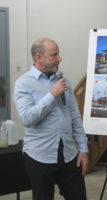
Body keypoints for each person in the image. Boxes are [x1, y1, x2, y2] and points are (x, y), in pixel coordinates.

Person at [14, 38, 88, 200]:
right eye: (54, 55)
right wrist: (51, 95)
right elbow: (27, 119)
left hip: (68, 154)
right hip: (39, 156)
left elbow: (74, 116)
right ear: (38, 57)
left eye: (58, 54)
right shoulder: (23, 84)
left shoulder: (63, 80)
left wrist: (83, 149)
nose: (59, 58)